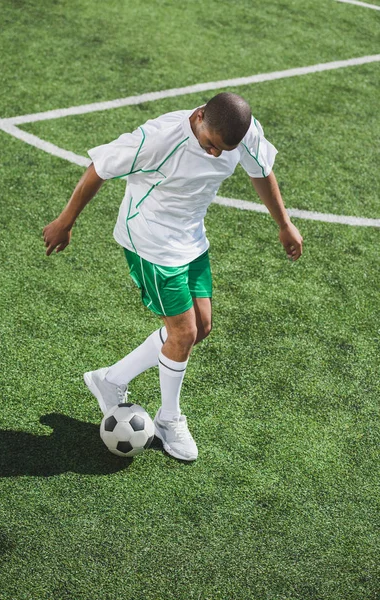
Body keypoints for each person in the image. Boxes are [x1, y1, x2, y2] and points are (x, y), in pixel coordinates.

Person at [43, 92, 303, 462]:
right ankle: (169, 419)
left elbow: (261, 171)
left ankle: (110, 379)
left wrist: (284, 224)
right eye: (211, 145)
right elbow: (99, 169)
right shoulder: (159, 139)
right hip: (149, 240)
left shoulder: (243, 135)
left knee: (203, 327)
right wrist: (65, 222)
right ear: (198, 117)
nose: (215, 154)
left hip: (190, 238)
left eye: (222, 150)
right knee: (184, 332)